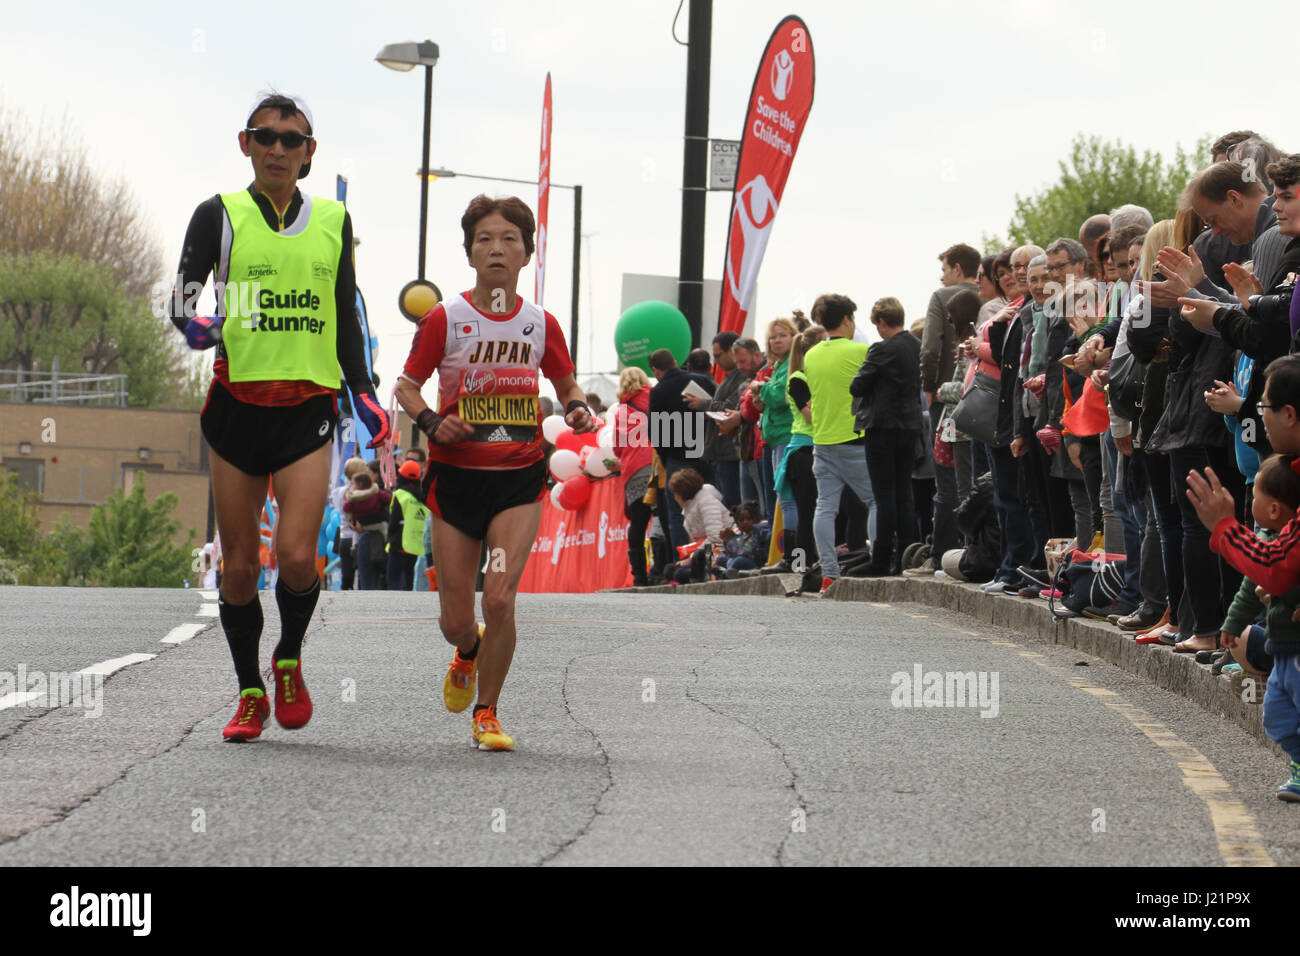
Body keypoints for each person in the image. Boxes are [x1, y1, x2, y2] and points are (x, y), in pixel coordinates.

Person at [170, 91, 390, 742]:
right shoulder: (218, 214)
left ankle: (288, 656)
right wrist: (194, 323)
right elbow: (182, 294)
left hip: (307, 408)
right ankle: (248, 691)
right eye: (263, 136)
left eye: (290, 139)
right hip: (237, 406)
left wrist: (365, 390)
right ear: (246, 144)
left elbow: (345, 308)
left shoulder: (331, 221)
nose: (276, 148)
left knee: (296, 557)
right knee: (238, 567)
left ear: (309, 154)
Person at [395, 194, 594, 752]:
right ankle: (466, 650)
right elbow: (406, 387)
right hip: (456, 483)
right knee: (458, 618)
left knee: (500, 599)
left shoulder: (540, 324)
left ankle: (487, 712)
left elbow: (567, 384)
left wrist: (577, 406)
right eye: (485, 239)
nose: (497, 248)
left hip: (516, 479)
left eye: (509, 239)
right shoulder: (446, 318)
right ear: (471, 254)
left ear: (527, 253)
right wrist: (433, 423)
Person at [804, 293, 874, 593]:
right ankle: (876, 559)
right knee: (874, 501)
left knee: (825, 507)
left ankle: (830, 572)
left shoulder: (811, 355)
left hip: (822, 439)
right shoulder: (861, 351)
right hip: (854, 438)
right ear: (847, 320)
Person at [849, 296, 922, 575]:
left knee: (884, 495)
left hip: (882, 426)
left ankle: (880, 559)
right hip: (910, 425)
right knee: (904, 492)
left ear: (881, 321)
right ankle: (906, 555)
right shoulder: (917, 345)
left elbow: (857, 386)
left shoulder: (881, 349)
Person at [648, 347, 715, 549]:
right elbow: (720, 409)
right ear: (675, 362)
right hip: (705, 454)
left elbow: (656, 431)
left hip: (677, 458)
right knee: (711, 505)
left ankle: (684, 559)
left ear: (655, 370)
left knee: (678, 513)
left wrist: (665, 456)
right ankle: (714, 556)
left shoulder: (658, 391)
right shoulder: (701, 381)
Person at [613, 366, 654, 586]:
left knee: (639, 522)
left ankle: (639, 575)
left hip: (635, 469)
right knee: (661, 517)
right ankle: (662, 568)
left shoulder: (622, 411)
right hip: (656, 465)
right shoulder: (656, 399)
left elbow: (617, 448)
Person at [666, 468, 732, 584]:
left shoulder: (706, 502)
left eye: (676, 494)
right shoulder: (688, 507)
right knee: (669, 570)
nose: (675, 498)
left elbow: (716, 537)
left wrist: (693, 557)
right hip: (703, 553)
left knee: (679, 574)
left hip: (720, 551)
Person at [386, 459, 428, 591]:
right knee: (409, 580)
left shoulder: (399, 494)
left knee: (393, 579)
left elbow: (394, 519)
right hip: (417, 545)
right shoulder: (423, 497)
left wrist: (389, 538)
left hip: (399, 543)